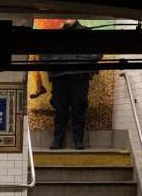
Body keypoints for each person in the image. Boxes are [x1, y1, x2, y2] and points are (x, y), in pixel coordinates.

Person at [36, 20, 102, 150]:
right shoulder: (55, 36)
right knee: (60, 110)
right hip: (60, 78)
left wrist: (81, 62)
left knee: (79, 109)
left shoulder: (86, 33)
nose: (68, 18)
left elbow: (97, 54)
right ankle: (58, 141)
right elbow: (44, 56)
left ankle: (78, 141)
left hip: (79, 77)